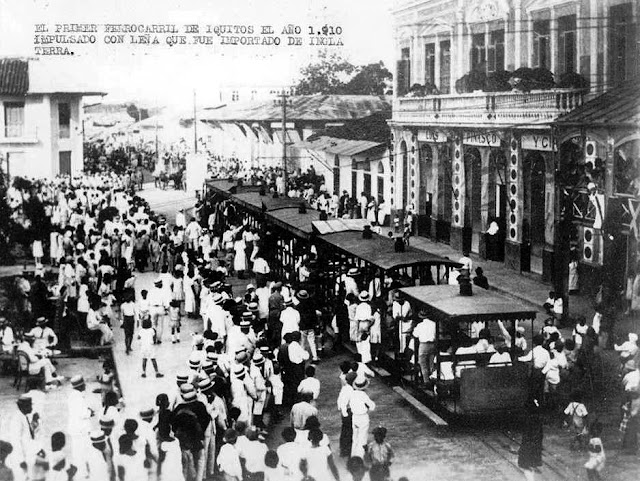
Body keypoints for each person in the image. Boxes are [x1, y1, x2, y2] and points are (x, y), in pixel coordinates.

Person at [348, 376, 376, 458]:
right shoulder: (363, 395)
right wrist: (368, 408)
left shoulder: (352, 393)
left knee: (355, 438)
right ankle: (359, 458)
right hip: (363, 417)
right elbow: (372, 406)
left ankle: (353, 455)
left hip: (355, 417)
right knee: (362, 438)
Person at [518, 399, 544, 481]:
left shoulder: (526, 418)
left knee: (526, 465)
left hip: (528, 444)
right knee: (531, 464)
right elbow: (540, 433)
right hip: (535, 444)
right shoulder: (538, 418)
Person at [413, 309, 436, 384]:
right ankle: (432, 378)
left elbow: (415, 334)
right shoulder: (434, 324)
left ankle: (426, 381)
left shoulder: (420, 325)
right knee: (431, 362)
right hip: (432, 344)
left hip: (423, 345)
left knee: (423, 363)